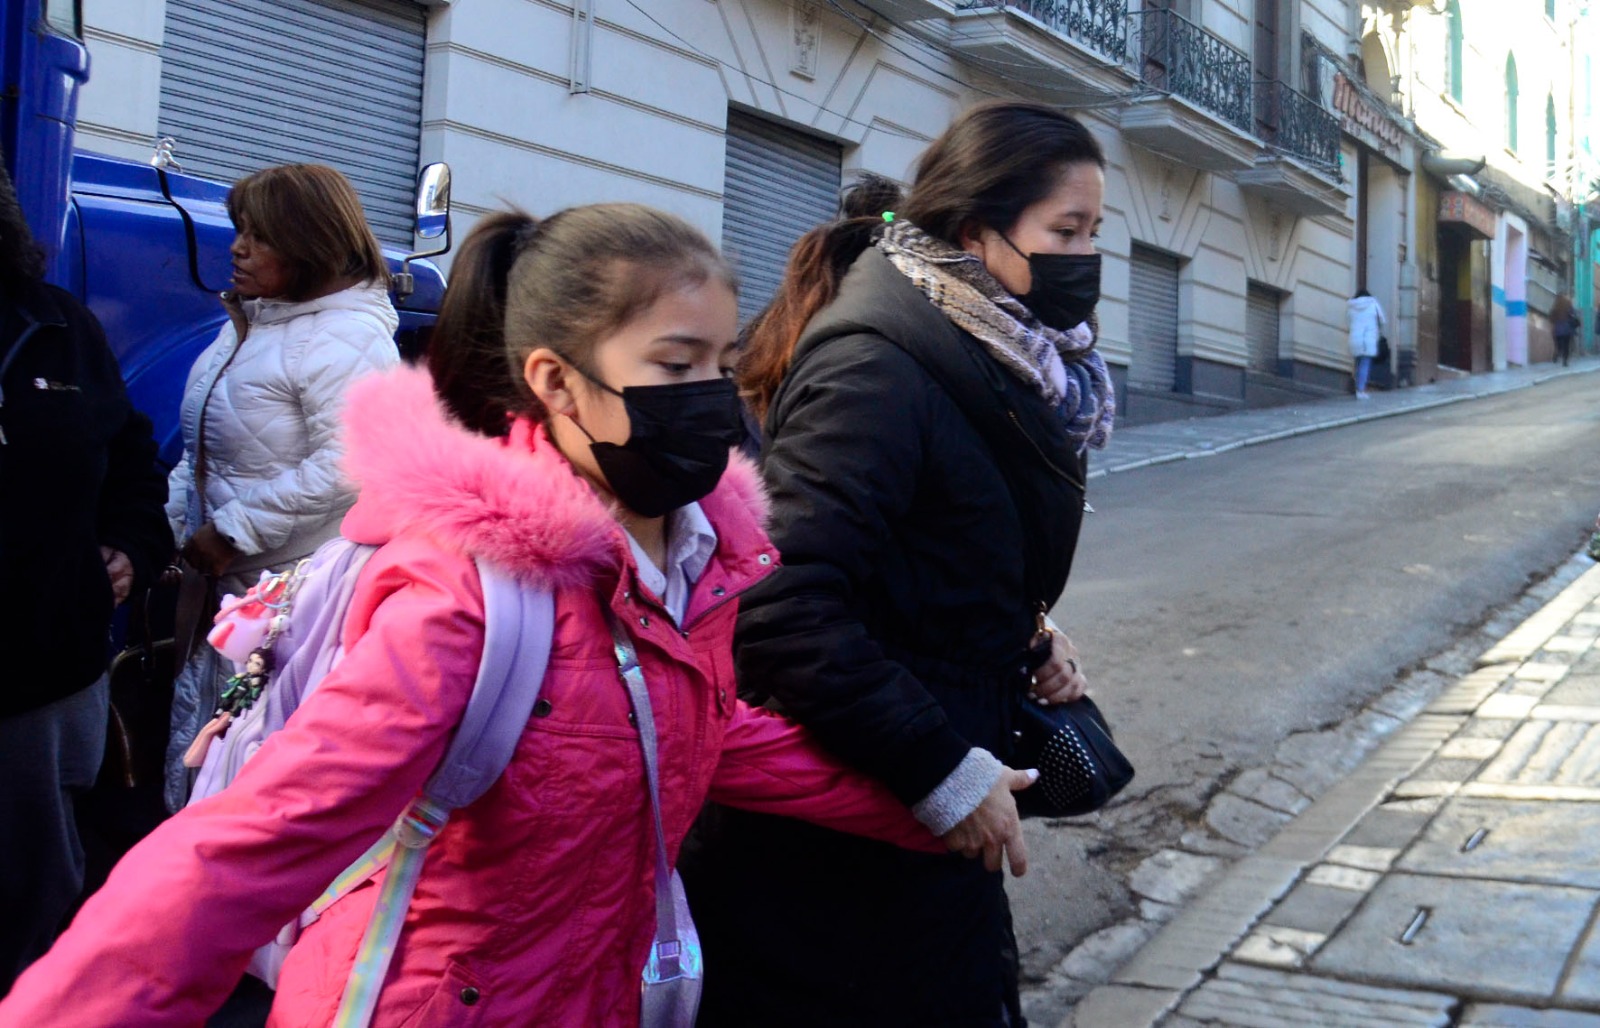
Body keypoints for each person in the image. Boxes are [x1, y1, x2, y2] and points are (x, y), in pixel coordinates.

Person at [0, 203, 956, 1026]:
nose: (713, 398)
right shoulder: (468, 594)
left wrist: (946, 793)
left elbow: (693, 730)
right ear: (554, 381)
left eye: (720, 361)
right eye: (675, 364)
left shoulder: (687, 558)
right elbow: (261, 837)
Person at [681, 100, 1114, 1027]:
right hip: (852, 834)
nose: (1087, 258)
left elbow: (934, 546)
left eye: (1096, 231)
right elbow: (780, 602)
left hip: (929, 798)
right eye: (1066, 231)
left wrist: (1023, 628)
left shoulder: (993, 348)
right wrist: (939, 769)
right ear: (975, 231)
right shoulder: (881, 364)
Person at [163, 163, 401, 812]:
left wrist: (234, 530)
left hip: (290, 603)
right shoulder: (253, 322)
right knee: (209, 754)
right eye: (239, 230)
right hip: (230, 589)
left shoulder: (349, 336)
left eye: (259, 235)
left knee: (256, 777)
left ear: (310, 243)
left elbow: (351, 459)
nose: (237, 247)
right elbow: (201, 445)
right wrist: (173, 527)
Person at [0, 159, 173, 991]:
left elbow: (134, 460)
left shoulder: (57, 323)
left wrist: (131, 548)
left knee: (34, 905)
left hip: (38, 681)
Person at [1347, 288, 1385, 398]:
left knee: (1357, 364)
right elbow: (1382, 320)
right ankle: (1360, 390)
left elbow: (1348, 322)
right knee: (1365, 364)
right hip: (1368, 338)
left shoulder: (1351, 307)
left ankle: (1356, 387)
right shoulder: (1373, 304)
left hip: (1354, 339)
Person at [1551, 293, 1577, 367]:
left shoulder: (1555, 306)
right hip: (1566, 329)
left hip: (1557, 330)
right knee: (1566, 346)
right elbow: (1573, 314)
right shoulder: (1568, 305)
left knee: (1559, 345)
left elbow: (1551, 318)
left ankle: (1557, 354)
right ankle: (1565, 361)